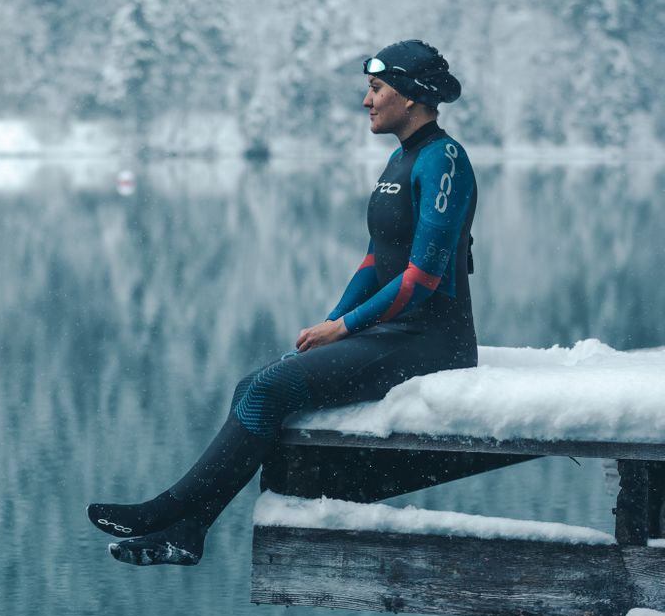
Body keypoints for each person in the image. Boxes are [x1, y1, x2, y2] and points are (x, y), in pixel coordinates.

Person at [88, 39, 478, 566]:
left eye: (376, 88)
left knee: (269, 389)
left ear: (409, 96)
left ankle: (168, 508)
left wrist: (343, 329)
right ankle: (187, 532)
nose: (366, 101)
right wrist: (333, 321)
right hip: (393, 331)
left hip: (433, 343)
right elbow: (375, 260)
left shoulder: (445, 160)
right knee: (251, 386)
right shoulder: (399, 159)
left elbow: (421, 279)